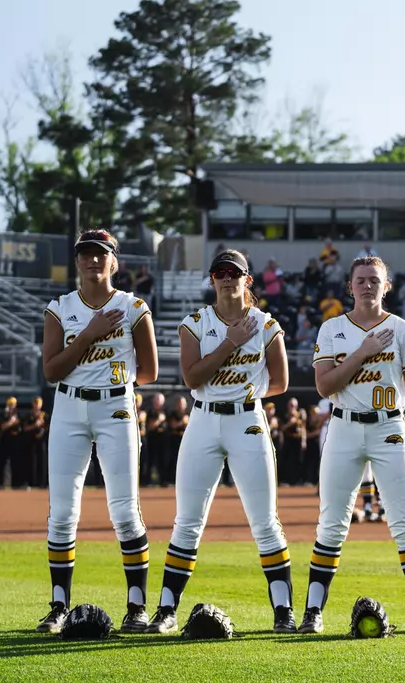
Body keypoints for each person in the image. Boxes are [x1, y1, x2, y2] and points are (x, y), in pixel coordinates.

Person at [144, 249, 293, 635]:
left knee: (264, 521)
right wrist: (230, 343)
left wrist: (248, 390)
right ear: (212, 279)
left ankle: (283, 611)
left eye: (235, 272)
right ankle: (166, 611)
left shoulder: (266, 323)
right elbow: (193, 379)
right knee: (187, 522)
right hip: (204, 420)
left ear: (248, 279)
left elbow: (280, 383)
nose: (228, 278)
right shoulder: (195, 322)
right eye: (221, 272)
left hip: (246, 419)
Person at [300, 255, 405, 636]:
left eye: (374, 280)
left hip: (388, 429)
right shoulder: (332, 328)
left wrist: (391, 409)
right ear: (350, 286)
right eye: (360, 280)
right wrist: (363, 353)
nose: (367, 285)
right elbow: (325, 387)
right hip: (344, 427)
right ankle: (313, 613)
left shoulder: (403, 329)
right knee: (331, 523)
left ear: (387, 285)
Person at [38, 228, 158, 634]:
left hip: (115, 405)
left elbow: (150, 371)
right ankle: (58, 605)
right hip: (69, 405)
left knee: (124, 511)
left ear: (114, 262)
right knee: (62, 514)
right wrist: (89, 336)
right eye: (86, 254)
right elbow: (51, 370)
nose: (93, 260)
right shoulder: (60, 307)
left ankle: (137, 606)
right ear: (77, 262)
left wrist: (113, 383)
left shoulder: (133, 306)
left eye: (100, 254)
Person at [22, 397, 48, 489]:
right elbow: (25, 428)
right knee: (31, 461)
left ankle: (42, 483)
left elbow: (48, 427)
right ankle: (31, 482)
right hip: (31, 441)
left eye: (39, 403)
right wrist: (35, 425)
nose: (37, 405)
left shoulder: (44, 415)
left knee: (43, 461)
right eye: (35, 403)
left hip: (42, 441)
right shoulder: (29, 416)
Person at [0, 397, 25, 489]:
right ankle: (1, 484)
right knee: (3, 462)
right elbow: (2, 427)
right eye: (10, 404)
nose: (12, 406)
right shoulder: (4, 414)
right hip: (5, 440)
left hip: (16, 441)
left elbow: (22, 428)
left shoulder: (18, 414)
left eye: (13, 404)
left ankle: (16, 484)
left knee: (16, 462)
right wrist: (11, 422)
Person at [143, 394, 167, 487]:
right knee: (150, 461)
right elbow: (150, 426)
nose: (158, 403)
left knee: (163, 461)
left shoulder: (166, 411)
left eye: (160, 401)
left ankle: (163, 480)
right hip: (152, 439)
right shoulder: (150, 412)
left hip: (163, 440)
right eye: (156, 400)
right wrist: (159, 420)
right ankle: (147, 481)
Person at [166, 397, 189, 487]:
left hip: (185, 441)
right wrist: (183, 422)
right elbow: (173, 425)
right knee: (173, 459)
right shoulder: (173, 414)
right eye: (179, 403)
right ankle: (171, 480)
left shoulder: (188, 414)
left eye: (182, 404)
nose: (181, 406)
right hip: (174, 440)